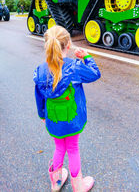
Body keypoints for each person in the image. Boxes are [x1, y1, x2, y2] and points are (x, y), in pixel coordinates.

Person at [33, 25, 101, 192]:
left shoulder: (41, 71)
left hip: (53, 119)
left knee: (59, 147)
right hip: (72, 120)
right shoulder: (75, 67)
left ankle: (55, 183)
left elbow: (39, 96)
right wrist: (87, 57)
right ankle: (78, 186)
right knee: (73, 148)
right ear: (68, 45)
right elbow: (95, 74)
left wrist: (43, 114)